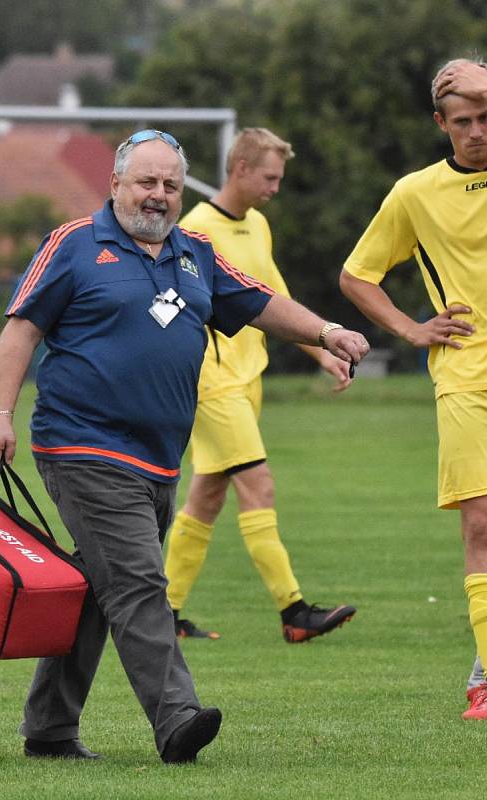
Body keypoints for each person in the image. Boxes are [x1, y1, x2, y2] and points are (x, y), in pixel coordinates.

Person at [0, 129, 369, 763]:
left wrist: (327, 331)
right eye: (146, 183)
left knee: (99, 588)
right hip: (81, 446)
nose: (158, 196)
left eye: (170, 186)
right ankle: (176, 716)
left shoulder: (196, 253)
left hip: (159, 457)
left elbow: (263, 303)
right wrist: (0, 414)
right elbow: (21, 329)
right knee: (136, 582)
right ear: (116, 185)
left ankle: (49, 728)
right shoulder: (75, 245)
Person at [340, 58, 487, 720]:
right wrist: (410, 330)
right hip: (464, 377)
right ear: (439, 123)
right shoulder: (414, 193)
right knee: (479, 521)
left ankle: (486, 662)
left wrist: (486, 84)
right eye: (461, 118)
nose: (474, 128)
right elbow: (357, 275)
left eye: (483, 115)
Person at [164, 128, 357, 644]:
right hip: (212, 382)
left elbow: (274, 300)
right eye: (270, 177)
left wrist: (324, 352)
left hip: (248, 383)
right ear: (241, 169)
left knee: (206, 498)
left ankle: (165, 612)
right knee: (260, 484)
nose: (275, 187)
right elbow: (171, 307)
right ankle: (294, 611)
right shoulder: (196, 229)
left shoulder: (259, 226)